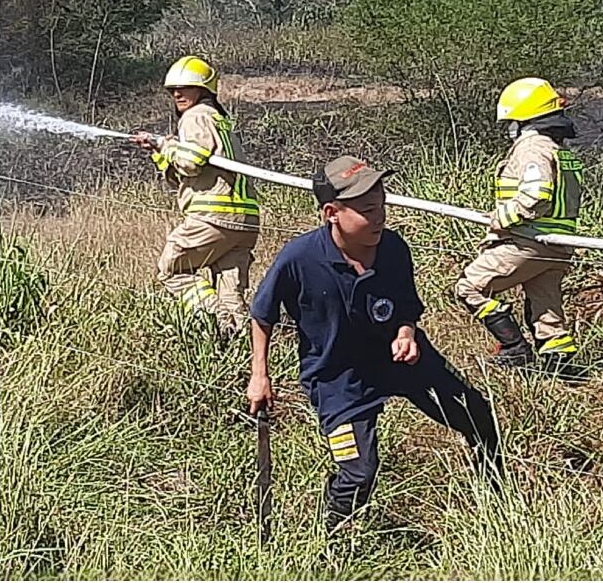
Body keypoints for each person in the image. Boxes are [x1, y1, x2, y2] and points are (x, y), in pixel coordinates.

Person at [246, 156, 502, 532]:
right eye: (368, 210)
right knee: (358, 471)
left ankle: (495, 502)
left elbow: (406, 308)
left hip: (398, 360)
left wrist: (406, 333)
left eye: (383, 206)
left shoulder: (393, 249)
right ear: (331, 213)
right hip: (338, 377)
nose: (380, 218)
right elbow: (262, 314)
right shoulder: (298, 258)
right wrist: (259, 374)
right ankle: (329, 539)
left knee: (478, 415)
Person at [455, 77, 584, 367]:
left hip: (529, 243)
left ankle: (514, 348)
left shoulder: (532, 147)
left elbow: (536, 195)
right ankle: (562, 374)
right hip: (558, 249)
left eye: (511, 121)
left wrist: (500, 219)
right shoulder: (559, 150)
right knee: (548, 321)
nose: (509, 129)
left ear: (524, 119)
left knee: (469, 287)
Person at [131, 55, 259, 337]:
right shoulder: (220, 122)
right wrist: (159, 153)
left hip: (213, 217)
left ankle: (213, 318)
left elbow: (190, 161)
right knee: (230, 288)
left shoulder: (196, 116)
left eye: (185, 87)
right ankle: (236, 344)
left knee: (171, 269)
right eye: (172, 89)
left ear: (203, 90)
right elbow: (187, 172)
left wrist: (166, 143)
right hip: (245, 223)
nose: (177, 94)